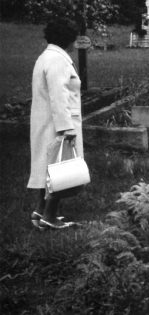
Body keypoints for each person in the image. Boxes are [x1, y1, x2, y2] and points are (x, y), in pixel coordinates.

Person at [28, 18, 83, 230]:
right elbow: (58, 96)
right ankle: (49, 216)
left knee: (47, 167)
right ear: (68, 39)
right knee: (61, 170)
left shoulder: (46, 57)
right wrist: (66, 128)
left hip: (46, 121)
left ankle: (39, 210)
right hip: (58, 124)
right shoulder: (58, 61)